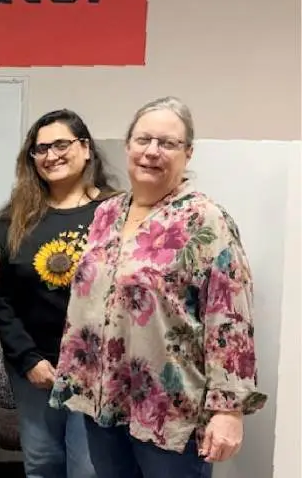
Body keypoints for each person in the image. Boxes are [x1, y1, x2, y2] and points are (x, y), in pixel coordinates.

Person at [50, 97, 267, 478]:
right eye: (143, 140)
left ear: (188, 154)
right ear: (127, 145)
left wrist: (228, 411)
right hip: (103, 401)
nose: (152, 152)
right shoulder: (107, 213)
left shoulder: (205, 220)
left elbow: (230, 320)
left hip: (170, 412)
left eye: (167, 143)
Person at [0, 109, 120, 478]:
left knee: (87, 469)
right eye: (40, 148)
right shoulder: (15, 219)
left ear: (86, 148)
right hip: (35, 366)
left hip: (97, 367)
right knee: (42, 463)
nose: (50, 155)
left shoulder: (116, 213)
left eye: (61, 144)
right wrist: (27, 358)